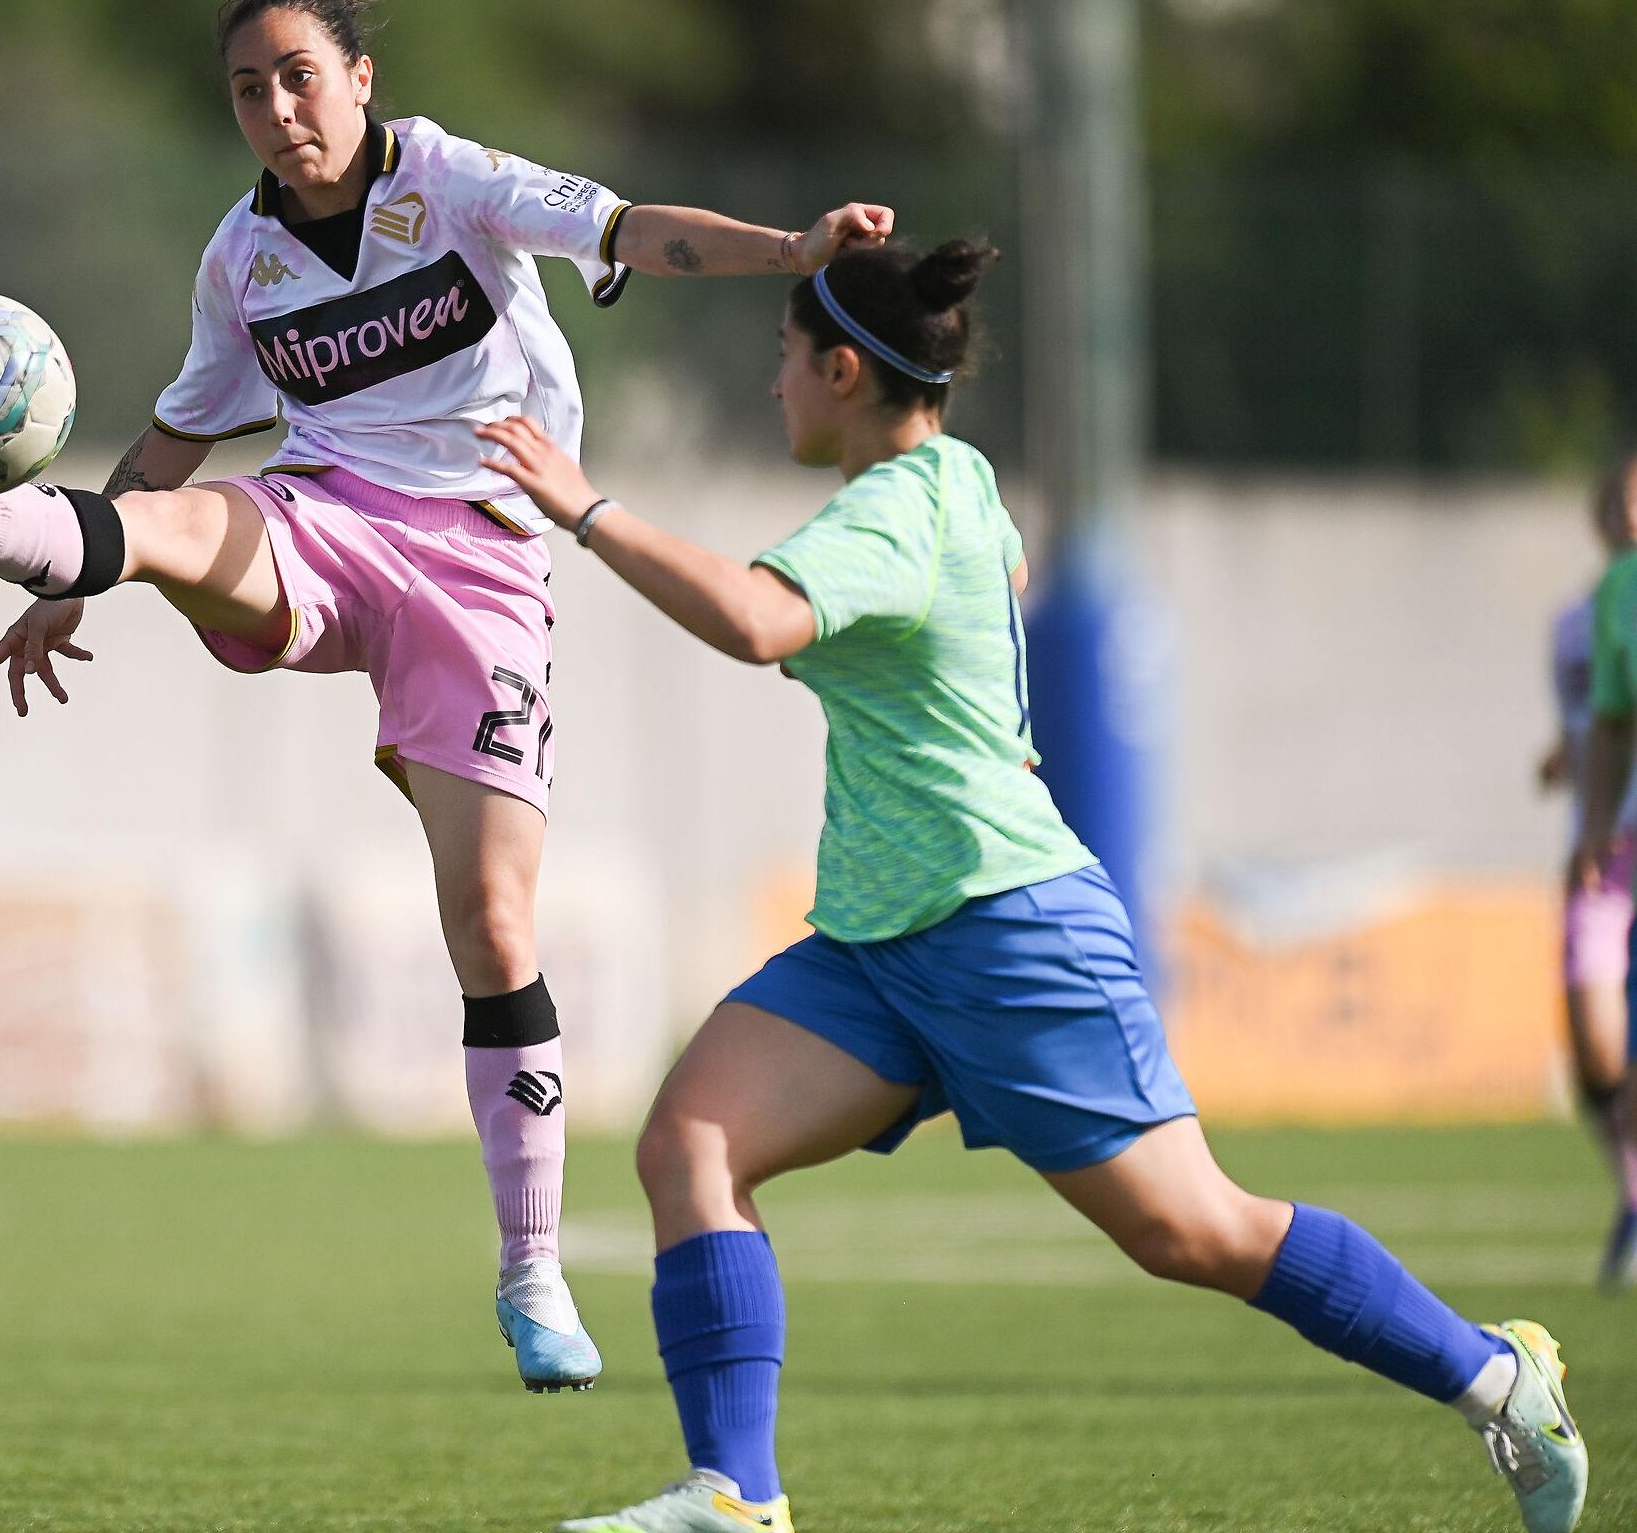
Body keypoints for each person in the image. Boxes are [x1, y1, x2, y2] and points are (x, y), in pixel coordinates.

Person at [0, 0, 893, 1392]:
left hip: (482, 565)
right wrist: (66, 572)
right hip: (328, 521)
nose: (278, 110)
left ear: (358, 77)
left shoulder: (453, 182)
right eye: (247, 89)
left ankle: (532, 1269)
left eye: (298, 75)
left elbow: (627, 231)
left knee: (490, 916)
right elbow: (172, 443)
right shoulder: (240, 260)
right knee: (173, 530)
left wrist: (792, 248)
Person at [472, 239, 1588, 1533]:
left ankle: (1499, 1379)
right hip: (882, 943)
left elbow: (756, 622)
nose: (774, 383)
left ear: (843, 370)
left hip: (1008, 927)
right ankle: (737, 1498)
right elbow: (968, 576)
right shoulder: (960, 479)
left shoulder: (896, 506)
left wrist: (585, 507)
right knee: (692, 1143)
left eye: (786, 358)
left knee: (1196, 1233)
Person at [1546, 452, 1637, 1288]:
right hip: (1608, 845)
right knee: (1598, 1051)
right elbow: (1601, 719)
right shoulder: (1595, 609)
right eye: (1613, 495)